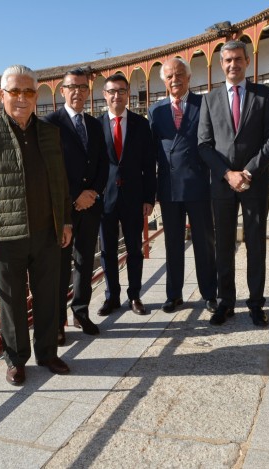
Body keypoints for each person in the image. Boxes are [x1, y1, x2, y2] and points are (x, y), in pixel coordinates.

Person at [0, 65, 73, 387]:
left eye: (28, 92)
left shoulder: (50, 133)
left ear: (36, 96)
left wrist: (65, 221)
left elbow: (61, 184)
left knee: (48, 296)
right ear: (3, 95)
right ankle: (15, 360)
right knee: (10, 302)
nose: (22, 98)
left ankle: (48, 353)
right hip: (6, 235)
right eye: (15, 92)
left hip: (47, 232)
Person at [197, 40, 269, 326]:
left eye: (237, 59)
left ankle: (256, 303)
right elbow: (204, 145)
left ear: (247, 61)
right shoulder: (209, 100)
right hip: (222, 185)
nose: (233, 64)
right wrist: (227, 174)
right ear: (221, 64)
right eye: (227, 60)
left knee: (255, 244)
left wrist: (248, 172)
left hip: (254, 183)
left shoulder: (263, 95)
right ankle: (225, 302)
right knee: (223, 245)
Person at [42, 68, 108, 346]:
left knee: (84, 263)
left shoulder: (94, 124)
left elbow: (104, 164)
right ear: (62, 90)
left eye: (83, 87)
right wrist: (74, 198)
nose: (78, 92)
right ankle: (58, 323)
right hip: (63, 211)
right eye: (73, 87)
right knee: (59, 267)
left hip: (90, 207)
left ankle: (80, 311)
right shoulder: (49, 124)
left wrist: (92, 193)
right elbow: (49, 171)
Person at [148, 58, 217, 314]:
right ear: (163, 81)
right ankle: (173, 294)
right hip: (169, 188)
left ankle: (210, 292)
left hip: (199, 185)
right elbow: (153, 151)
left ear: (189, 78)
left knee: (204, 242)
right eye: (169, 76)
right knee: (173, 244)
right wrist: (151, 189)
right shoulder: (155, 111)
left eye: (179, 75)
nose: (174, 80)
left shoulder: (204, 103)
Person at [97, 74, 157, 316]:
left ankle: (134, 296)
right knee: (108, 251)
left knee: (134, 250)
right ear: (105, 94)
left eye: (121, 91)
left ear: (128, 93)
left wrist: (149, 198)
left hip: (134, 198)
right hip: (105, 200)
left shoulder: (141, 124)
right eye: (112, 91)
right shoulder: (96, 125)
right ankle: (112, 297)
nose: (116, 95)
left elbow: (148, 164)